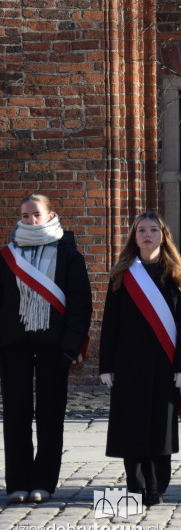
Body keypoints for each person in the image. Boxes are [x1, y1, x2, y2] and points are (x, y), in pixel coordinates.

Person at [0, 194, 91, 505]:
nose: (30, 220)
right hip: (14, 346)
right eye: (25, 215)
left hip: (54, 348)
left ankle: (44, 481)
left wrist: (70, 346)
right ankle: (17, 481)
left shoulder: (68, 255)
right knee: (15, 415)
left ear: (50, 215)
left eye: (36, 214)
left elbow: (80, 305)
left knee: (50, 415)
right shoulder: (6, 256)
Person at [99, 212, 181, 507]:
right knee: (132, 424)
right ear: (134, 236)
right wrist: (106, 366)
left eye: (153, 229)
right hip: (128, 363)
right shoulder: (122, 275)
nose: (147, 234)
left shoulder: (177, 276)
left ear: (163, 236)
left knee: (160, 426)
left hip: (164, 363)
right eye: (141, 230)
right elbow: (109, 324)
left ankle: (156, 486)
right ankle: (136, 485)